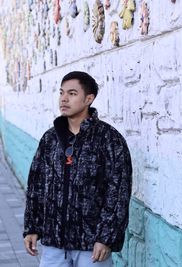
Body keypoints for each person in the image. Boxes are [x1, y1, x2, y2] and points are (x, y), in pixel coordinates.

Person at [23, 71, 132, 267]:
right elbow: (36, 185)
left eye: (72, 94)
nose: (64, 99)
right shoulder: (50, 139)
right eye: (61, 93)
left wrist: (106, 237)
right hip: (54, 242)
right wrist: (32, 226)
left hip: (92, 245)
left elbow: (118, 193)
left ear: (89, 99)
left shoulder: (109, 139)